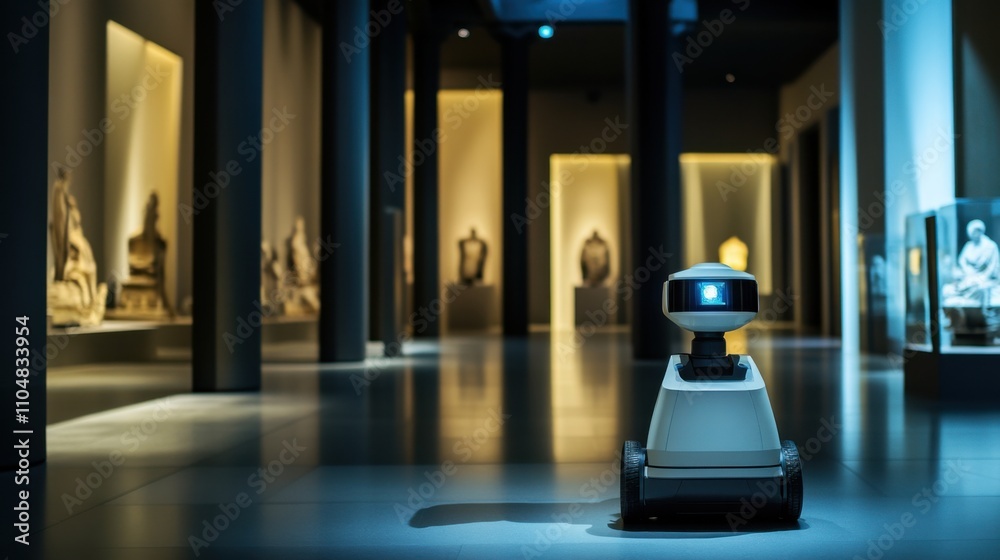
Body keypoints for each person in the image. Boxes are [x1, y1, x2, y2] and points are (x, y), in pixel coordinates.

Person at [951, 219, 1000, 305]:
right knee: (950, 289)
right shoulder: (969, 246)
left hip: (985, 277)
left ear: (981, 231)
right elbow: (962, 261)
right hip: (969, 276)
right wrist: (967, 271)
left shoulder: (990, 246)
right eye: (972, 232)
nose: (975, 234)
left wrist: (983, 277)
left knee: (977, 287)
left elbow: (993, 266)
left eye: (977, 231)